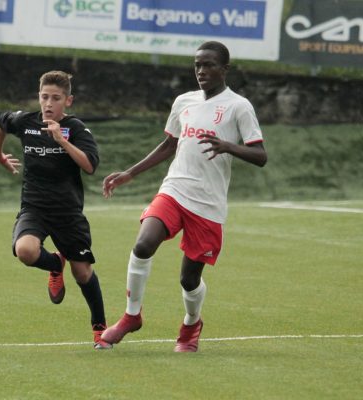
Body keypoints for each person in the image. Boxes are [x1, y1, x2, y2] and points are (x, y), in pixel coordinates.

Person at [100, 41, 267, 352]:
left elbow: (260, 155)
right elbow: (169, 145)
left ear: (225, 69)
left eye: (209, 65)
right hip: (174, 189)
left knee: (188, 280)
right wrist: (131, 173)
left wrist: (228, 146)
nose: (201, 71)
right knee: (143, 243)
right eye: (197, 65)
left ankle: (191, 323)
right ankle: (130, 316)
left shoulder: (238, 106)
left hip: (208, 204)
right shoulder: (183, 102)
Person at [0, 70, 111, 350]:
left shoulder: (77, 129)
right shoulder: (26, 122)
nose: (48, 103)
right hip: (34, 207)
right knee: (25, 251)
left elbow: (90, 166)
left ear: (68, 101)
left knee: (82, 273)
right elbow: (3, 121)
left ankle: (100, 329)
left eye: (56, 98)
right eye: (44, 97)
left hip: (68, 213)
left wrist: (62, 141)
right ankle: (55, 264)